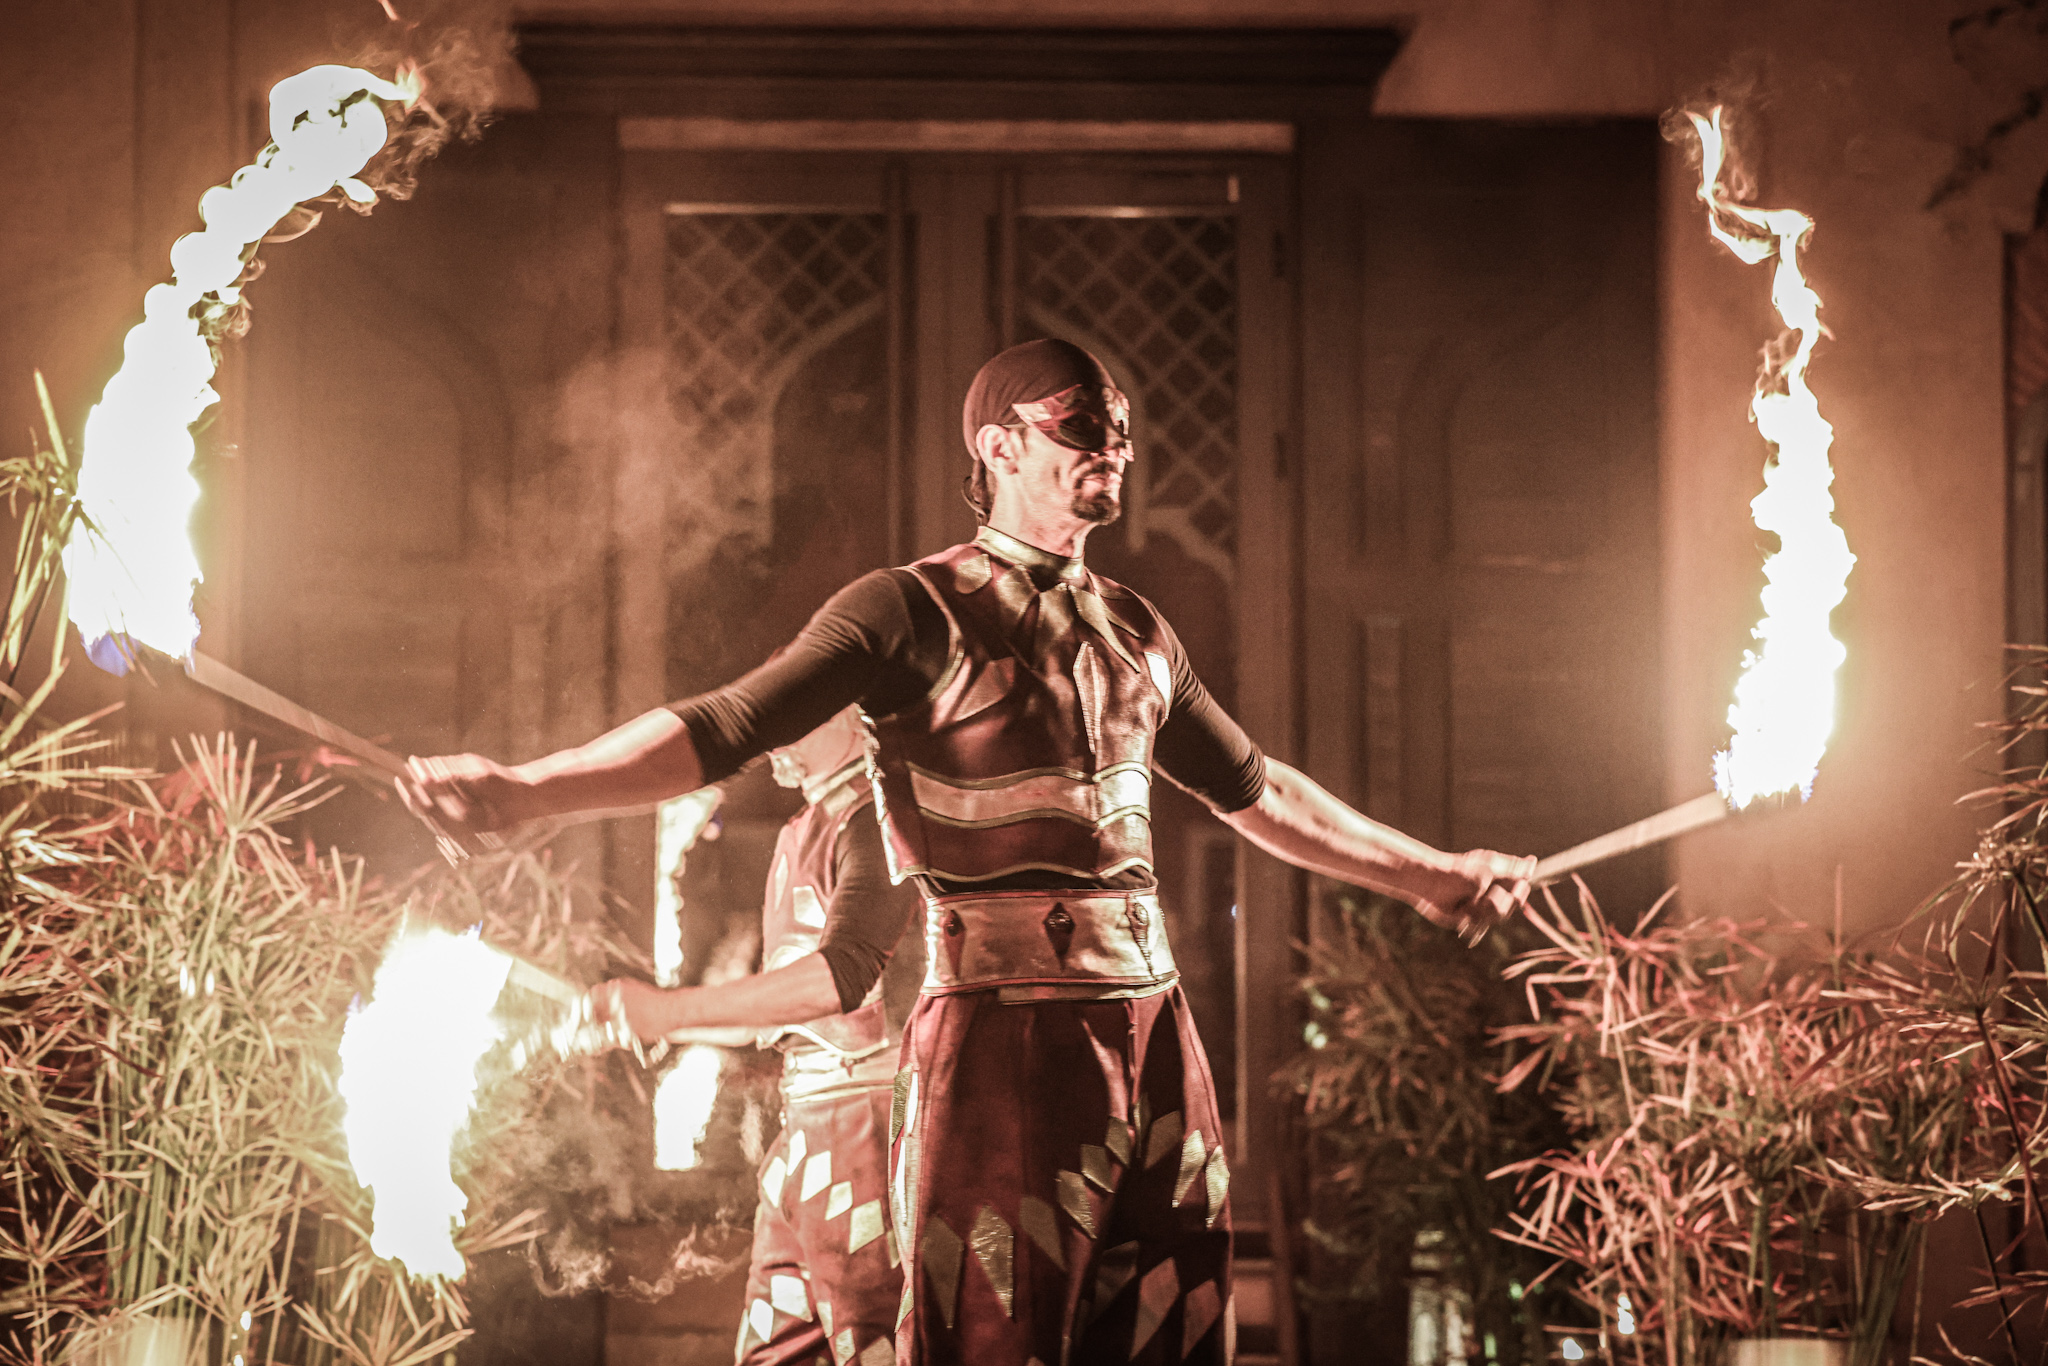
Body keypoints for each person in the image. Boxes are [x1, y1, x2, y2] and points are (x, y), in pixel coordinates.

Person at [401, 338, 1535, 1366]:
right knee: (998, 1339)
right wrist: (525, 791)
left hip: (1150, 1030)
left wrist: (1431, 878)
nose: (1115, 448)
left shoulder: (1138, 634)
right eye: (1081, 424)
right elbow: (722, 724)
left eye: (1123, 429)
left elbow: (1258, 789)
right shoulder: (907, 611)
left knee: (1168, 1329)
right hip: (1005, 1036)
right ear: (997, 446)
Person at [629, 706, 921, 1366]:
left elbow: (835, 981)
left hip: (868, 1125)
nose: (774, 742)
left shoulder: (883, 817)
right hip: (805, 1129)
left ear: (856, 716)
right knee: (776, 1350)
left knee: (871, 1341)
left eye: (800, 713)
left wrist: (671, 1011)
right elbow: (783, 1008)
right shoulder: (800, 830)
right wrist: (654, 1017)